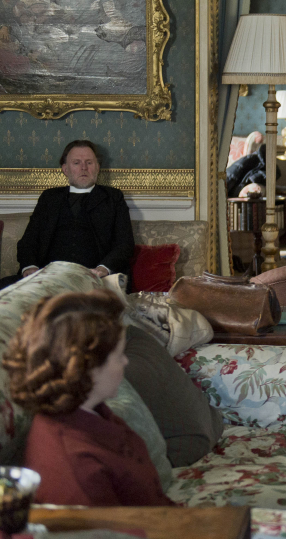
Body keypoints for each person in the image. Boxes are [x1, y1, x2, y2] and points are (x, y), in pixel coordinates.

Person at [2, 290, 174, 507]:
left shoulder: (90, 413)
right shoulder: (76, 468)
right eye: (118, 355)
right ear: (85, 368)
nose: (125, 362)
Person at [4, 139, 134, 288]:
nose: (84, 168)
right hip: (48, 279)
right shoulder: (49, 198)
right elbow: (28, 242)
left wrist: (102, 269)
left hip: (95, 279)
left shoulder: (113, 197)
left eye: (89, 162)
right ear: (65, 169)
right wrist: (30, 268)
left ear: (97, 167)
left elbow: (124, 244)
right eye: (77, 163)